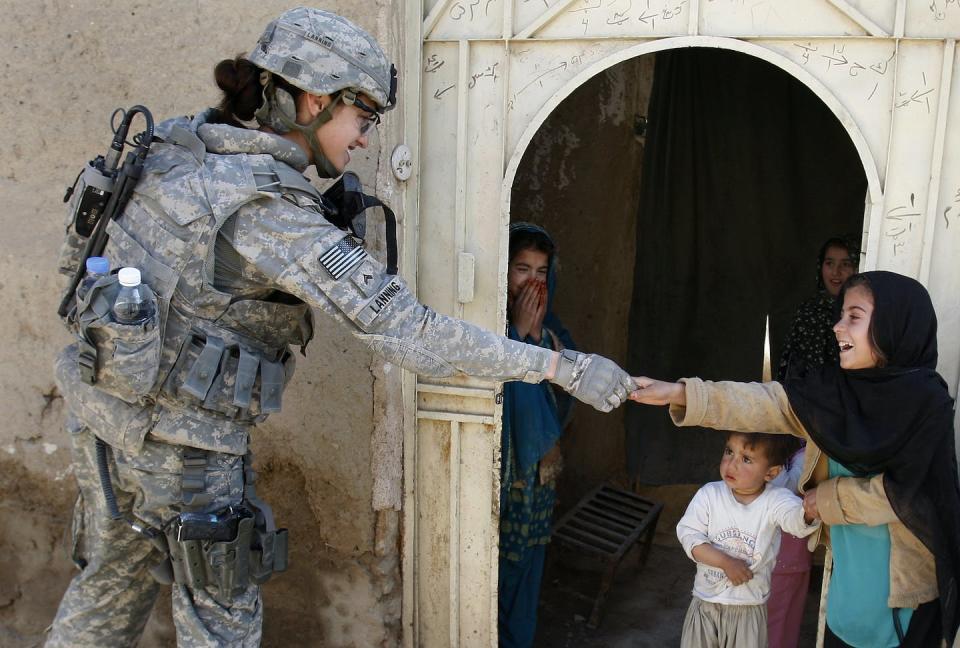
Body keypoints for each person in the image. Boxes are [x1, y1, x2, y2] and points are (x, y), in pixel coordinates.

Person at [48, 8, 637, 646]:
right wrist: (559, 366)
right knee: (220, 628)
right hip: (186, 455)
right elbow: (406, 330)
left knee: (105, 591)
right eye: (363, 119)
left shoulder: (178, 147)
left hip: (102, 420)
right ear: (314, 100)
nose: (362, 141)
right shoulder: (270, 209)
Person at [630, 271, 960, 647]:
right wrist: (679, 392)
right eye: (841, 315)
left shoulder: (926, 405)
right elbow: (764, 403)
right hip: (848, 598)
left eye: (854, 316)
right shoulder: (834, 395)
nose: (838, 327)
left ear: (893, 324)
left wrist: (828, 499)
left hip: (901, 604)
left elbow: (912, 493)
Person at [498, 223, 575, 648]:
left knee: (526, 577)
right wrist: (518, 339)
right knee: (493, 576)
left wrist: (534, 338)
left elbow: (566, 398)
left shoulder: (554, 331)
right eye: (521, 268)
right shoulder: (485, 327)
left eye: (541, 272)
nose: (532, 281)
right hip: (502, 482)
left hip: (538, 484)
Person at [676, 431, 819, 648]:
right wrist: (726, 563)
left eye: (746, 459)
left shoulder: (775, 500)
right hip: (705, 604)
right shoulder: (709, 494)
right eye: (729, 452)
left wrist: (808, 513)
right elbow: (689, 536)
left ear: (771, 473)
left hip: (749, 610)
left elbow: (795, 522)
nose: (731, 464)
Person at [776, 237, 857, 382]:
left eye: (845, 264)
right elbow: (791, 367)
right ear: (821, 267)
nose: (835, 272)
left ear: (857, 268)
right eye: (829, 263)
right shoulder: (808, 311)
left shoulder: (863, 313)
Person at [766, 443, 810, 648]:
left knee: (776, 625)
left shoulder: (808, 453)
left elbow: (787, 490)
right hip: (777, 556)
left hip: (786, 558)